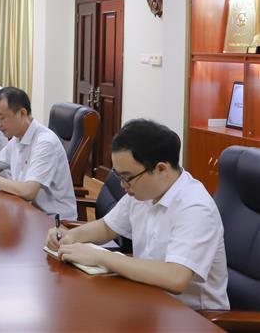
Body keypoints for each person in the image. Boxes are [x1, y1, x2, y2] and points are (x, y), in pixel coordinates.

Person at [46, 119, 229, 310]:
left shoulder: (195, 208)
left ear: (161, 169)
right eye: (119, 176)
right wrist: (71, 235)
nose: (122, 185)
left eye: (127, 177)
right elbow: (107, 227)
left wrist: (101, 257)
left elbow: (176, 277)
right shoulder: (144, 192)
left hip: (191, 316)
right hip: (147, 298)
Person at [0, 86, 77, 220]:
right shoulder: (18, 137)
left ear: (22, 113)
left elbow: (28, 191)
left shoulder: (45, 143)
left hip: (52, 221)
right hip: (25, 211)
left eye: (2, 117)